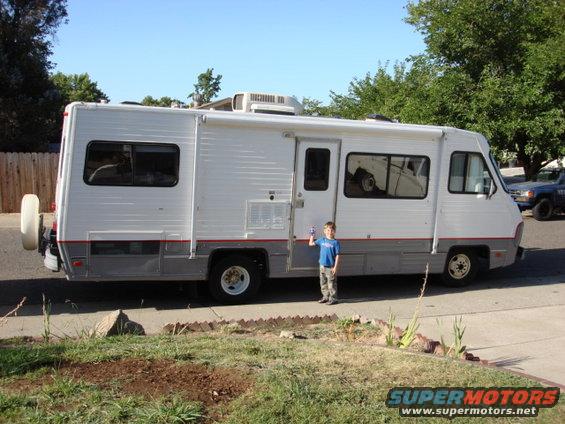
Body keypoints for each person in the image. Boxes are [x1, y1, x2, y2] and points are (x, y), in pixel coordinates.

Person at [309, 221, 341, 305]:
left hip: (330, 267)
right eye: (328, 230)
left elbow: (337, 255)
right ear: (324, 231)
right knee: (323, 283)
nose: (330, 232)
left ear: (334, 231)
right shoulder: (321, 240)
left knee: (331, 284)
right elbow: (311, 243)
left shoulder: (335, 242)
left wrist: (335, 267)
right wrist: (312, 234)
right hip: (322, 266)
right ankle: (325, 297)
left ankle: (333, 299)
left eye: (332, 230)